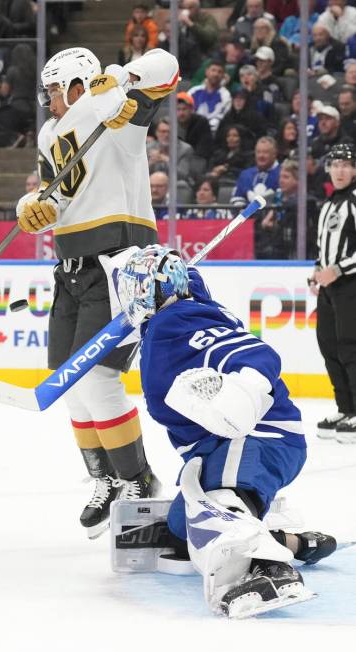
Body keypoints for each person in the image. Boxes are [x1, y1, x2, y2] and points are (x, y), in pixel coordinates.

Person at [116, 244, 336, 617]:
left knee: (220, 505)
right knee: (183, 529)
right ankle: (294, 543)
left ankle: (272, 569)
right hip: (222, 444)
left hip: (258, 437)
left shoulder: (178, 322)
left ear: (146, 291)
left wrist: (244, 391)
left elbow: (253, 354)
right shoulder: (182, 314)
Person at [15, 46, 179, 538]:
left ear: (77, 85)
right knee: (69, 382)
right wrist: (33, 205)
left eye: (54, 89)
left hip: (117, 266)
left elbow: (167, 66)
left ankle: (138, 479)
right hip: (71, 269)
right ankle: (105, 477)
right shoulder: (50, 133)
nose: (48, 100)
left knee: (96, 380)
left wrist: (122, 78)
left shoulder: (116, 113)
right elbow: (57, 196)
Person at [309, 143, 356, 443]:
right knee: (329, 346)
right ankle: (345, 408)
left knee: (350, 346)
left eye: (346, 165)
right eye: (335, 164)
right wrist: (318, 270)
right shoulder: (328, 204)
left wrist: (337, 270)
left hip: (351, 285)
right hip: (328, 290)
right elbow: (321, 247)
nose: (340, 170)